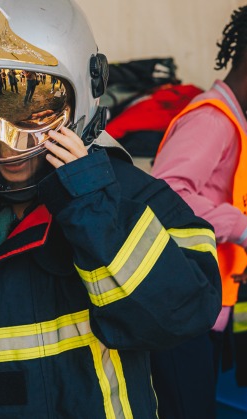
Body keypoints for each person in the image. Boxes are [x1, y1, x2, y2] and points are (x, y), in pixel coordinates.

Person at [0, 0, 222, 417]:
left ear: (84, 88)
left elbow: (180, 315)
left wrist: (91, 205)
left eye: (30, 108)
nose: (0, 136)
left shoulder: (127, 192)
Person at [150, 5, 247, 418]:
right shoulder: (212, 119)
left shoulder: (232, 120)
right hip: (183, 311)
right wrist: (242, 227)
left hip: (208, 304)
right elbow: (167, 191)